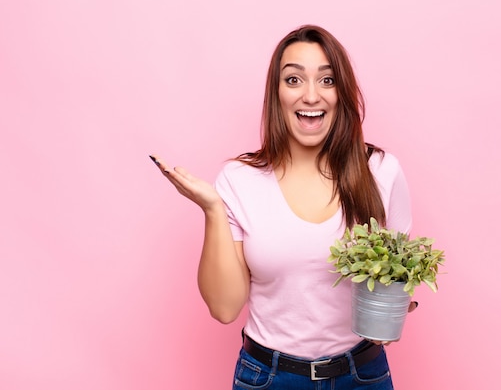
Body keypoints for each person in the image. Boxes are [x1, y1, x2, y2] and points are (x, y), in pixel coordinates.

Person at [150, 24, 416, 390]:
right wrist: (212, 209)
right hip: (269, 378)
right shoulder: (239, 180)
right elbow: (225, 309)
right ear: (276, 94)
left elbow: (399, 269)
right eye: (293, 80)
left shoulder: (381, 171)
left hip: (362, 375)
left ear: (343, 92)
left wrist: (396, 304)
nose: (310, 96)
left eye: (327, 80)